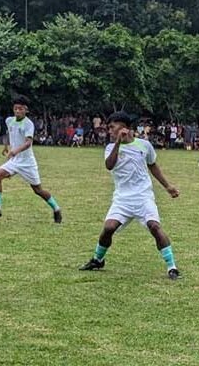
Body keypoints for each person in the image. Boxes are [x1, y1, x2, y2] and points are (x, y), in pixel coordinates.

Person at [78, 111, 181, 280]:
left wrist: (167, 186)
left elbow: (153, 166)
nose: (109, 131)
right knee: (108, 228)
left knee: (154, 226)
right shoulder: (111, 147)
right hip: (122, 199)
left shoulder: (144, 145)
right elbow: (109, 165)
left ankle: (172, 267)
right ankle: (98, 259)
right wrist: (118, 142)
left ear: (124, 127)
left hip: (143, 197)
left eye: (112, 127)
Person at [0, 95, 62, 223]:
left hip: (27, 162)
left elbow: (28, 143)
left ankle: (56, 209)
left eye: (20, 109)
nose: (17, 111)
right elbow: (8, 133)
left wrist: (15, 150)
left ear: (26, 110)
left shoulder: (28, 124)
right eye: (15, 108)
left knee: (38, 190)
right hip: (14, 161)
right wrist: (6, 146)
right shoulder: (9, 120)